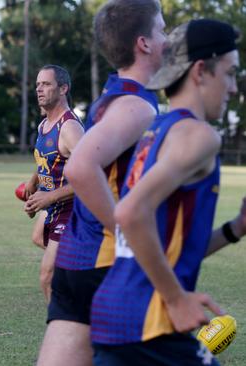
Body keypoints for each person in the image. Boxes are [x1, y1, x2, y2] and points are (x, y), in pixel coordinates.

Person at [91, 19, 243, 366]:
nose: (233, 88)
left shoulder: (156, 130)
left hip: (117, 315)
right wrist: (176, 299)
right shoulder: (200, 136)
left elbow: (164, 248)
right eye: (231, 73)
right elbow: (128, 213)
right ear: (201, 70)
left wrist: (236, 228)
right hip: (151, 321)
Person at [36, 1, 167, 365]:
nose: (167, 39)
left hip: (79, 259)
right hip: (106, 263)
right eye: (163, 30)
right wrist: (125, 233)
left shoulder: (112, 95)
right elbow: (80, 168)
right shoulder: (136, 105)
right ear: (144, 43)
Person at [22, 65, 84, 302]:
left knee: (47, 276)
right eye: (38, 84)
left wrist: (49, 197)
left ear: (63, 88)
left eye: (46, 84)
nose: (39, 89)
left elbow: (91, 174)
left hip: (71, 208)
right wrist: (34, 181)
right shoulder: (44, 124)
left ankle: (61, 327)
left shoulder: (69, 128)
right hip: (52, 206)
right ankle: (80, 275)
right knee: (38, 238)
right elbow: (46, 159)